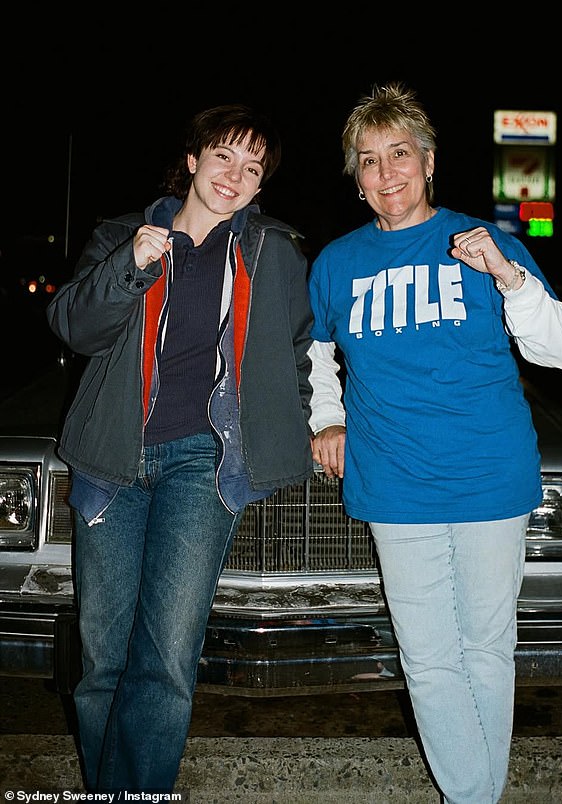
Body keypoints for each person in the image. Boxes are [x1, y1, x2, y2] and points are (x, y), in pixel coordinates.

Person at [307, 82, 562, 803]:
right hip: (395, 483)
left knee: (488, 650)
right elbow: (313, 355)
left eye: (399, 153)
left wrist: (508, 275)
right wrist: (326, 421)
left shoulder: (482, 240)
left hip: (491, 476)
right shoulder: (337, 263)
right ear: (356, 179)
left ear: (428, 161)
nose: (386, 171)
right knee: (428, 658)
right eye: (368, 160)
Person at [46, 104, 315, 794]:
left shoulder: (271, 250)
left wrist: (300, 422)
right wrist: (131, 266)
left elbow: (299, 350)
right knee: (104, 661)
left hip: (204, 461)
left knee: (164, 659)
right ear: (193, 160)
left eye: (253, 168)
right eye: (225, 156)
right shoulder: (120, 236)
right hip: (112, 461)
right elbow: (73, 326)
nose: (236, 175)